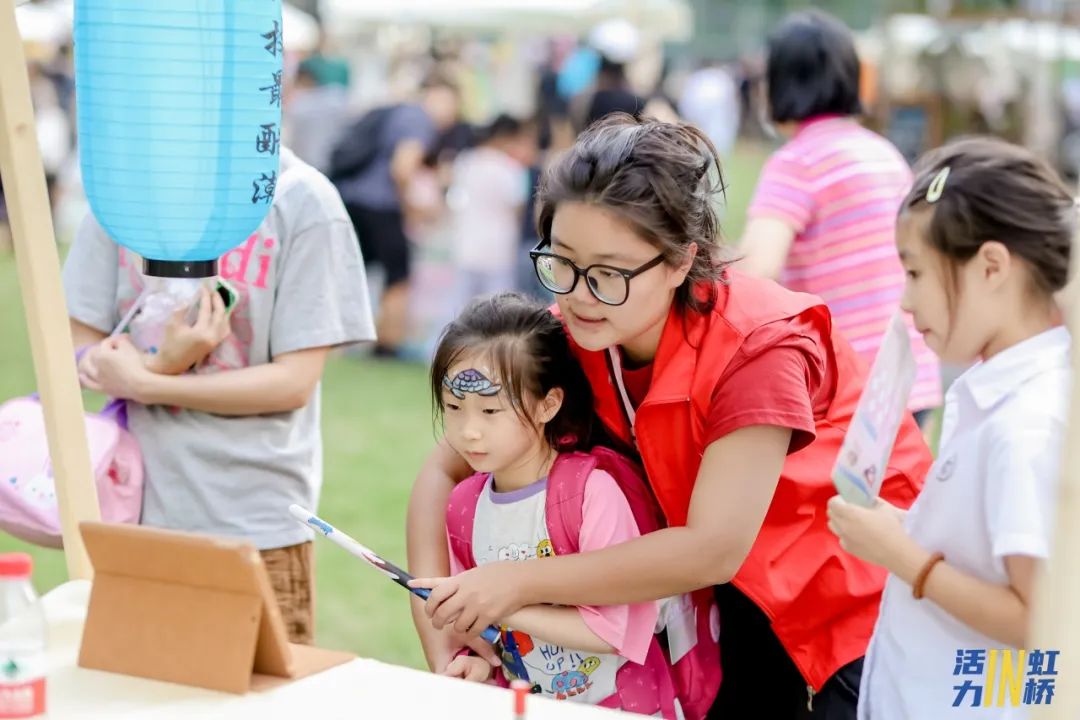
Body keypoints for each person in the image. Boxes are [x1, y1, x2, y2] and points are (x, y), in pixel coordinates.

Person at [406, 114, 934, 719]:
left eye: (607, 273)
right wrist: (444, 633)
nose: (576, 294)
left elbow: (713, 548)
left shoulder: (757, 347)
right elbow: (440, 474)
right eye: (562, 262)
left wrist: (515, 582)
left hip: (849, 597)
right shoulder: (574, 331)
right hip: (728, 602)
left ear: (682, 261)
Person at [62, 147, 376, 644]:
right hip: (129, 514)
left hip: (253, 524)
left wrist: (150, 382)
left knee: (254, 703)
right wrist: (160, 365)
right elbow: (75, 346)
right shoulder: (125, 188)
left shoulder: (301, 200)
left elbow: (293, 382)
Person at [827, 137, 1073, 719]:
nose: (906, 302)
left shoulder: (1025, 425)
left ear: (992, 266)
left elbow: (1039, 619)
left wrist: (905, 557)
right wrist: (905, 531)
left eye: (915, 273)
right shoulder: (1001, 393)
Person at [428, 292, 715, 718]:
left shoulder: (590, 492)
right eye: (454, 408)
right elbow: (489, 631)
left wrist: (507, 601)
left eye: (490, 410)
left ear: (549, 404)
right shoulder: (464, 507)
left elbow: (616, 629)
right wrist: (479, 665)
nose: (469, 431)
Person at [736, 10, 941, 426]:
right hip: (908, 371)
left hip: (848, 384)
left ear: (778, 82)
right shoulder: (884, 153)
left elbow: (757, 268)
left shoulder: (797, 162)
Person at [333, 73, 460, 358]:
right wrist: (410, 207)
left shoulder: (400, 113)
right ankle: (387, 343)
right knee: (398, 276)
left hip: (353, 199)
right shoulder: (419, 121)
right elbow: (402, 168)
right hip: (381, 206)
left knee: (353, 270)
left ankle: (335, 339)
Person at [446, 115, 537, 314]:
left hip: (466, 247)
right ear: (508, 137)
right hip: (499, 251)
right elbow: (517, 209)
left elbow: (455, 200)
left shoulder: (466, 161)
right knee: (497, 312)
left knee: (459, 310)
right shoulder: (511, 168)